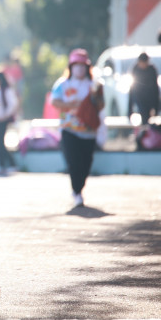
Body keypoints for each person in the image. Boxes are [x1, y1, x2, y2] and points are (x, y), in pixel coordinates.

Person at [51, 49, 104, 207]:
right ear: (71, 67)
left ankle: (79, 188)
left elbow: (101, 105)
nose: (80, 69)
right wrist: (71, 105)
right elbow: (54, 101)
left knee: (86, 164)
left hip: (88, 131)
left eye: (83, 66)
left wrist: (95, 99)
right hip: (69, 130)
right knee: (73, 162)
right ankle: (76, 192)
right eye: (76, 66)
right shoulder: (62, 84)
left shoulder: (93, 85)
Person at [0, 72, 18, 174]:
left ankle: (10, 164)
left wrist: (5, 116)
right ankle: (2, 164)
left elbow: (13, 104)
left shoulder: (7, 90)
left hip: (2, 120)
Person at [130, 52, 159, 125]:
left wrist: (156, 107)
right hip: (139, 98)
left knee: (148, 120)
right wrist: (130, 110)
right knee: (143, 116)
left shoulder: (151, 70)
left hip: (149, 98)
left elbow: (155, 89)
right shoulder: (135, 70)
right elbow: (132, 89)